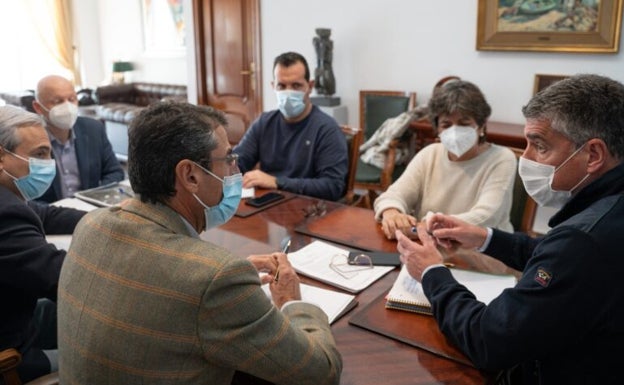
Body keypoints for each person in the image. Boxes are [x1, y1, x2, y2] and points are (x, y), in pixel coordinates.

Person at [58, 102, 342, 385]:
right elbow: (321, 372)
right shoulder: (214, 278)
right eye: (229, 159)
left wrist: (230, 277)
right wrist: (291, 303)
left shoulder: (90, 226)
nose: (236, 169)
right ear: (190, 175)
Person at [396, 74, 624, 384]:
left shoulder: (582, 241)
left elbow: (490, 339)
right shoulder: (604, 213)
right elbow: (551, 254)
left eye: (539, 146)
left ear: (593, 155)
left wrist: (432, 273)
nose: (525, 158)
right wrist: (484, 238)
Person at [0, 106, 86, 382]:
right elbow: (65, 280)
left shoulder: (10, 199)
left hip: (13, 313)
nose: (49, 163)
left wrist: (109, 218)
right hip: (12, 354)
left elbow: (46, 214)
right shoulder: (5, 214)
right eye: (39, 155)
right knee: (115, 353)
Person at [374, 79, 517, 239]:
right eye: (446, 125)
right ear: (437, 129)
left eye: (464, 123)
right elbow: (392, 195)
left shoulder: (502, 158)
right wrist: (392, 213)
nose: (455, 131)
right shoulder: (430, 153)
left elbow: (487, 217)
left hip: (483, 251)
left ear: (481, 126)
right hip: (430, 244)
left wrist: (424, 228)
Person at [233, 51, 348, 201]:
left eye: (296, 86)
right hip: (269, 206)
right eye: (281, 86)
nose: (288, 92)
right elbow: (237, 163)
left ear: (310, 86)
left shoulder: (327, 129)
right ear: (273, 86)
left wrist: (276, 182)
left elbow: (333, 186)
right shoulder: (264, 122)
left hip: (311, 210)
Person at [32, 75, 125, 203]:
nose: (67, 106)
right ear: (38, 107)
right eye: (58, 101)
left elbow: (115, 172)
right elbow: (25, 196)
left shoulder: (93, 129)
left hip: (91, 208)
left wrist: (94, 197)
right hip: (51, 215)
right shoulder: (28, 140)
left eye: (72, 99)